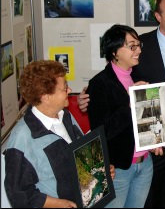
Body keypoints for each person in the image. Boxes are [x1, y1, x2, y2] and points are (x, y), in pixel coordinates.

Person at [78, 0, 165, 208]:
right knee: (148, 197)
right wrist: (88, 95)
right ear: (157, 16)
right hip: (151, 135)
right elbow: (116, 78)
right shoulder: (141, 46)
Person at [4, 60, 115, 208]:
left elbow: (81, 159)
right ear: (46, 97)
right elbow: (18, 195)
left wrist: (100, 171)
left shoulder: (65, 116)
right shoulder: (22, 138)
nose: (69, 91)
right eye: (64, 88)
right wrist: (59, 204)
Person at [85, 24, 153, 208]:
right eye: (132, 46)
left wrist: (155, 140)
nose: (138, 50)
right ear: (114, 51)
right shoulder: (99, 84)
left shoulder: (137, 74)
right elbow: (101, 132)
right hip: (119, 169)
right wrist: (130, 105)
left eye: (138, 45)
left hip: (145, 163)